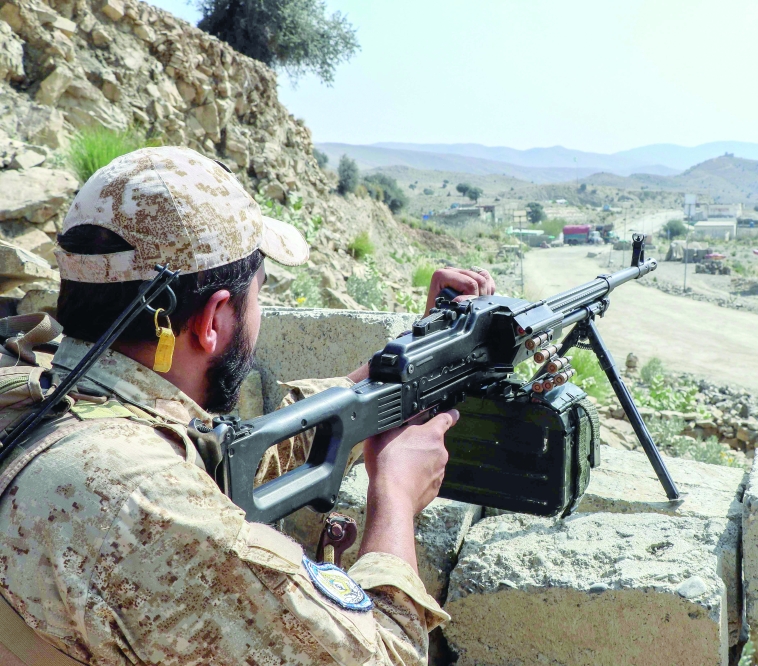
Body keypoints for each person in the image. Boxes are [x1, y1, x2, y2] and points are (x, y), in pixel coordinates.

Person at [0, 146, 496, 666]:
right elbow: (386, 657)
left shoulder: (41, 388)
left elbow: (223, 457)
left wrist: (400, 363)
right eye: (258, 292)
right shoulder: (146, 507)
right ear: (214, 318)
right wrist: (394, 495)